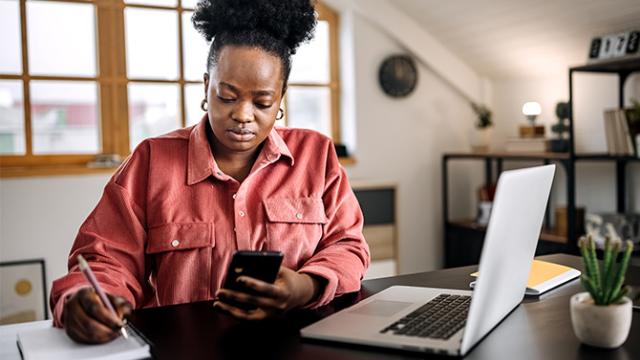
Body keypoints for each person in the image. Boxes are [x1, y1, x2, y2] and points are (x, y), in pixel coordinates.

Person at [49, 0, 370, 344]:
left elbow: (348, 246)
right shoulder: (151, 161)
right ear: (206, 87)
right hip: (186, 348)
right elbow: (105, 259)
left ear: (281, 99)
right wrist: (86, 299)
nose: (243, 115)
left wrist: (306, 286)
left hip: (300, 344)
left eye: (262, 102)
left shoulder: (317, 155)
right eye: (227, 96)